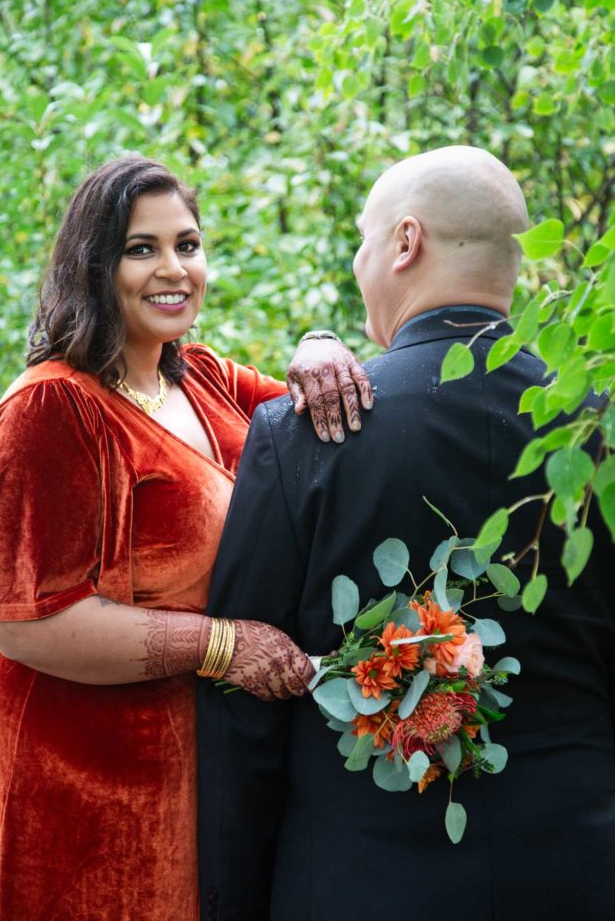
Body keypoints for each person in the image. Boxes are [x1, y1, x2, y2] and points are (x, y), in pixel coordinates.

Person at [0, 156, 374, 921]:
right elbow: (23, 625)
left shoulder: (199, 378)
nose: (173, 269)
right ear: (94, 265)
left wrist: (320, 342)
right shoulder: (50, 409)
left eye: (189, 244)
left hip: (174, 750)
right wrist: (223, 646)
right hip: (59, 753)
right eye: (142, 249)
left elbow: (325, 415)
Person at [198, 145, 615, 920]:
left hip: (356, 881)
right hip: (580, 869)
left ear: (405, 242)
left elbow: (244, 704)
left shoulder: (301, 438)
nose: (361, 263)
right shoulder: (598, 428)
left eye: (364, 239)